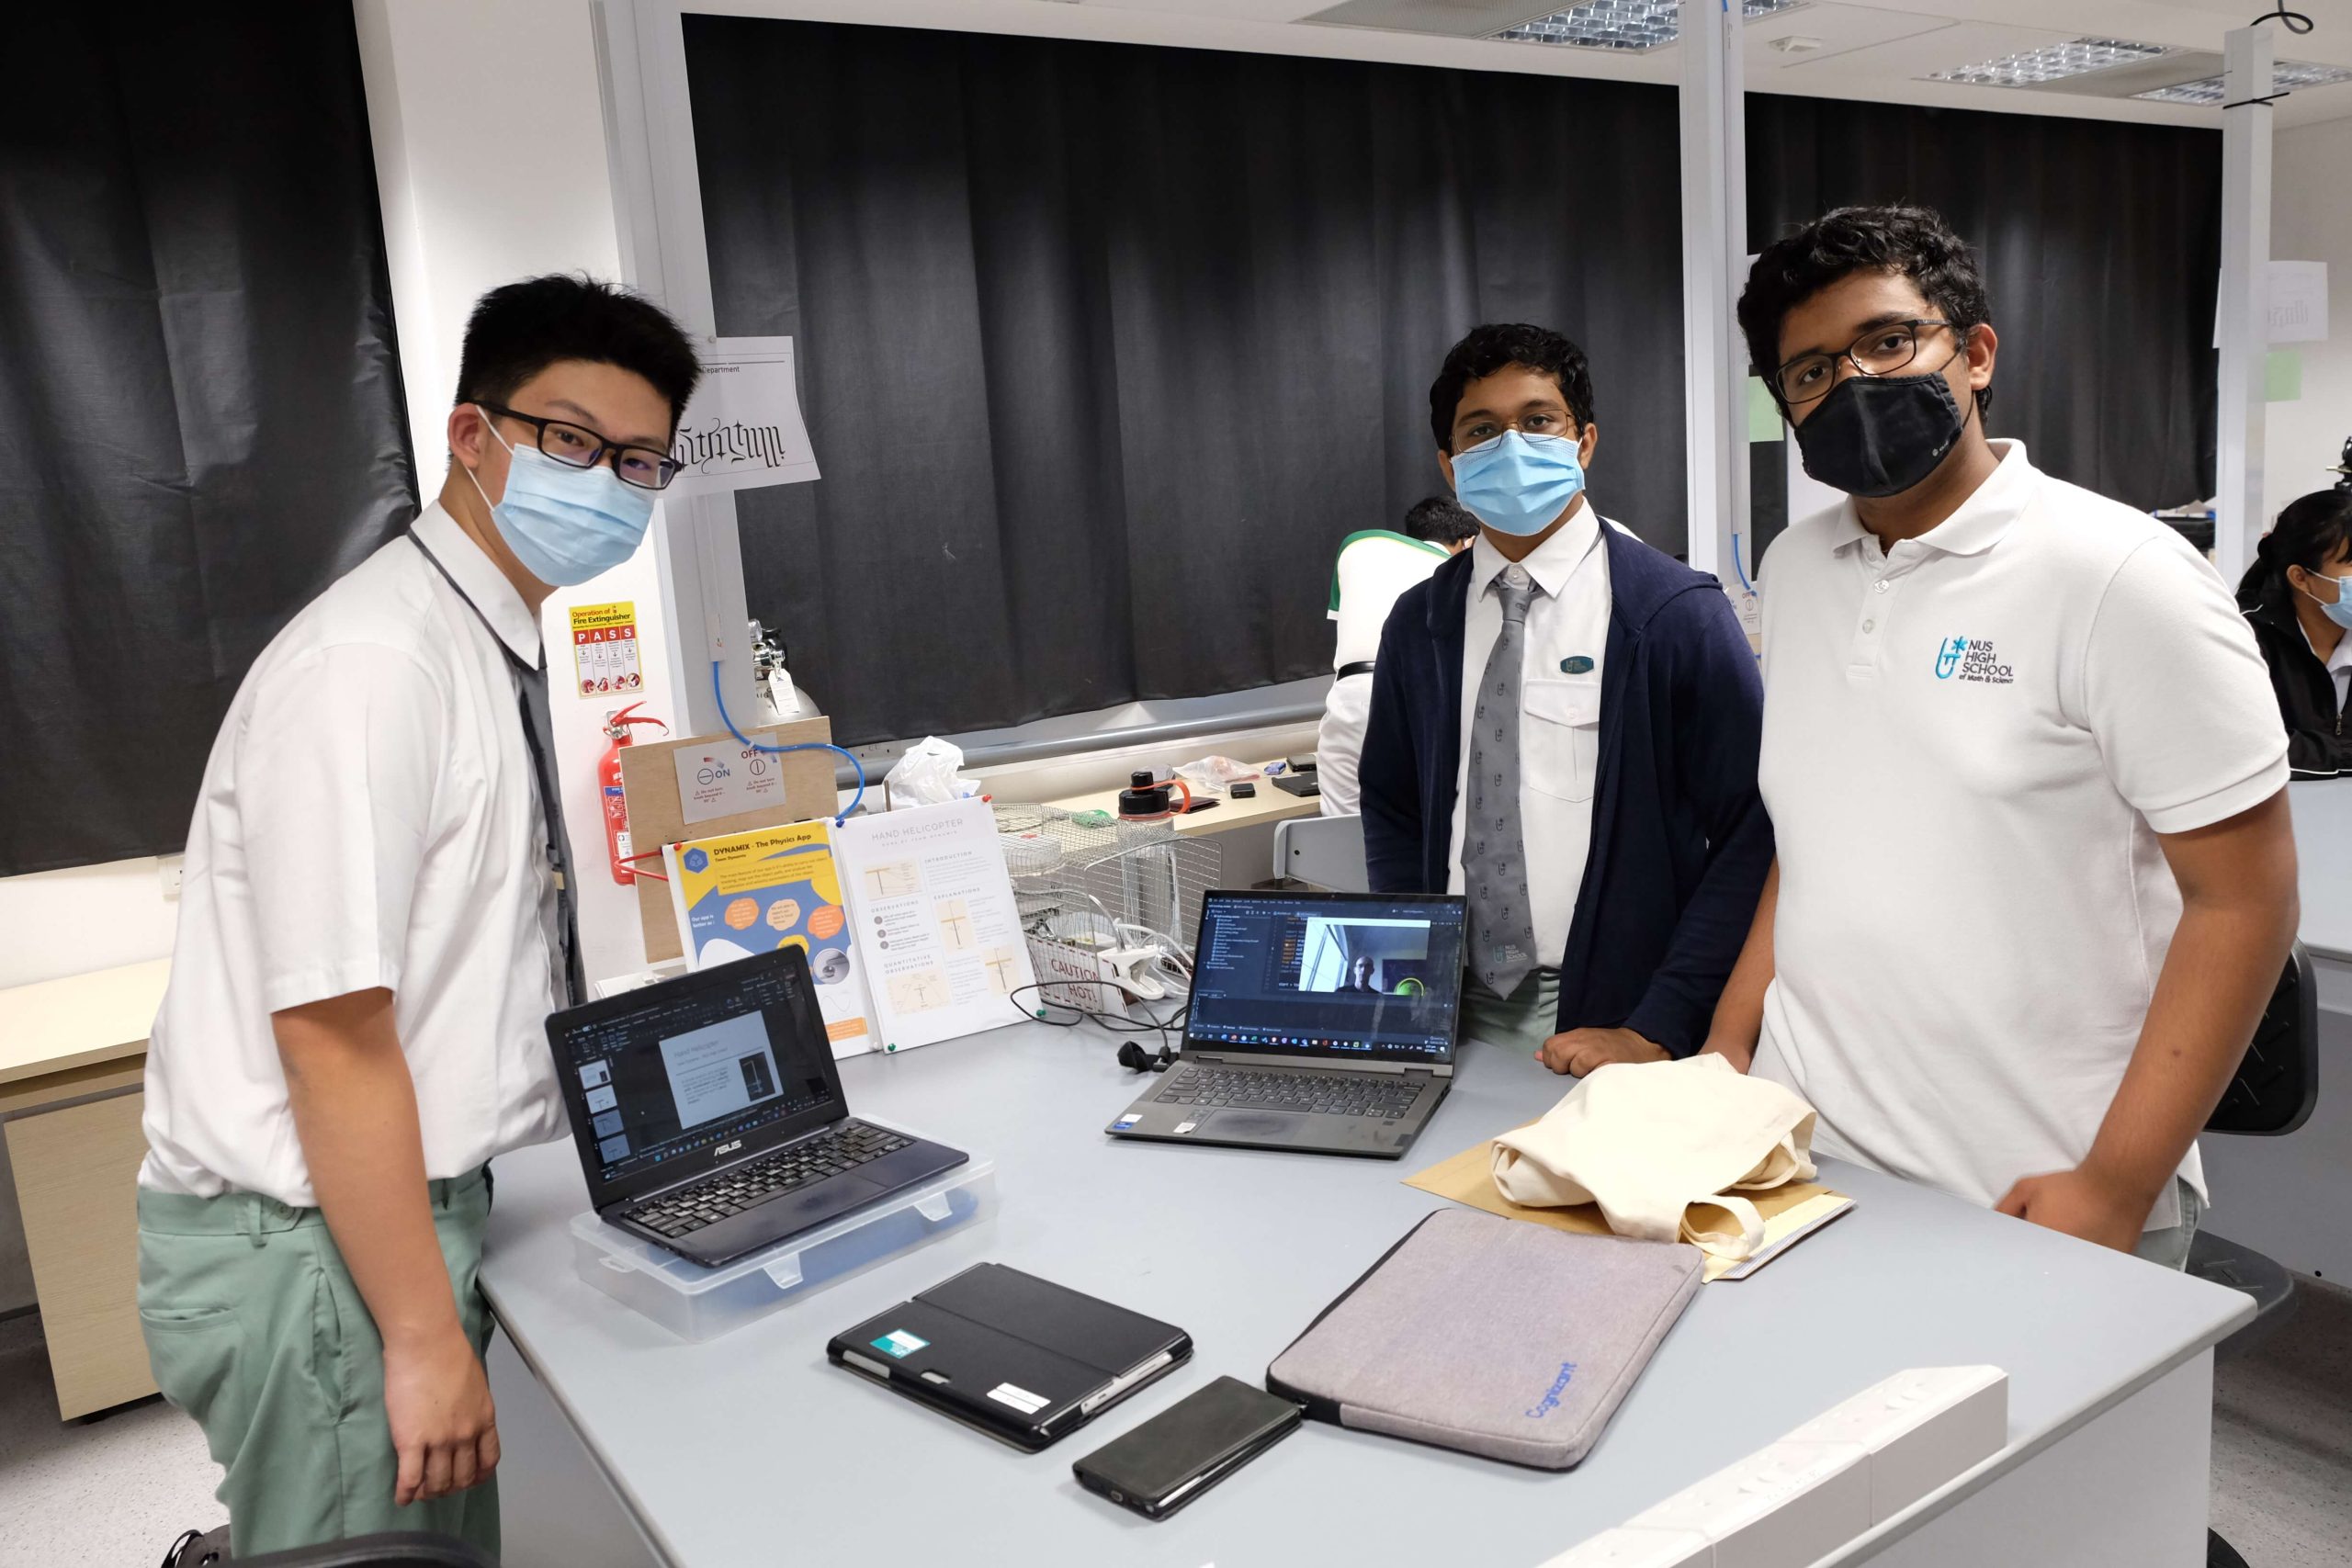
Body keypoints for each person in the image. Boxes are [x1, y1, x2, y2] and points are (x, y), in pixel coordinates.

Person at [136, 275, 701, 1556]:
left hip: (383, 1211)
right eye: (570, 441)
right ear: (470, 435)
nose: (606, 482)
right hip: (314, 1245)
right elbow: (331, 1032)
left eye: (637, 462)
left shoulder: (473, 640)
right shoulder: (375, 664)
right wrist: (416, 1333)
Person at [1708, 205, 2298, 1267]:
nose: (1852, 384)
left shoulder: (2120, 576)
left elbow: (2244, 900)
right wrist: (1724, 1051)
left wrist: (2115, 1185)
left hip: (2036, 1185)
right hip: (1800, 1158)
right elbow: (1811, 843)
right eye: (1810, 372)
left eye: (1888, 341)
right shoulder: (1794, 570)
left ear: (1974, 354)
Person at [1358, 322, 1772, 1075]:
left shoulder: (1673, 614)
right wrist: (1408, 953)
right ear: (1450, 466)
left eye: (1538, 420)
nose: (1511, 446)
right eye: (1482, 431)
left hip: (1613, 1013)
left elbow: (1754, 831)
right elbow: (1392, 799)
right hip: (1442, 1002)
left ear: (1583, 443)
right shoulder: (1419, 622)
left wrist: (1661, 1021)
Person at [1316, 496, 1477, 817]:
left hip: (1346, 698)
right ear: (1467, 542)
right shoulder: (1459, 574)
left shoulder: (1357, 546)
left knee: (1339, 824)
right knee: (1423, 821)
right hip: (1409, 696)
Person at [2237, 489, 2352, 777]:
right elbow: (2243, 744)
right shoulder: (2245, 638)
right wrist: (2341, 753)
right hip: (2271, 801)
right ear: (2300, 578)